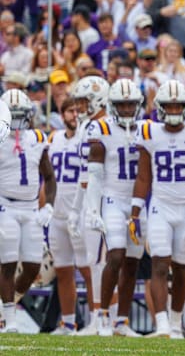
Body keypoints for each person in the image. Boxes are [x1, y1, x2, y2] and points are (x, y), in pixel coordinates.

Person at [131, 80, 185, 338]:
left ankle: (177, 324)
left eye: (177, 105)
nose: (173, 109)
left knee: (181, 267)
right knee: (159, 263)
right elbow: (143, 177)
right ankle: (162, 325)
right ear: (159, 107)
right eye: (168, 105)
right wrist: (135, 212)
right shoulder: (149, 132)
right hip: (160, 206)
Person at [84, 79, 146, 338]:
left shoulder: (147, 128)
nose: (127, 109)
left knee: (132, 262)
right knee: (116, 255)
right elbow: (95, 175)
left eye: (131, 104)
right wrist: (92, 209)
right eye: (122, 104)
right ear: (112, 106)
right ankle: (102, 315)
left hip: (137, 201)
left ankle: (122, 320)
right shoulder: (101, 129)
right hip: (112, 197)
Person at [0, 89, 56, 332]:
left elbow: (50, 177)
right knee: (8, 262)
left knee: (33, 266)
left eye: (19, 115)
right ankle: (10, 320)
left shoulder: (38, 138)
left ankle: (6, 306)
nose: (15, 121)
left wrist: (49, 206)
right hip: (5, 205)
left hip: (32, 207)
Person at [65, 76, 110, 336]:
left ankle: (108, 318)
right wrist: (75, 208)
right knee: (94, 263)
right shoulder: (87, 126)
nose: (80, 107)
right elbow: (84, 175)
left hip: (103, 199)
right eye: (78, 101)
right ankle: (97, 316)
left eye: (84, 101)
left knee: (102, 262)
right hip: (87, 199)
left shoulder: (104, 126)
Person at [47, 99, 93, 335]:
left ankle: (97, 320)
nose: (74, 114)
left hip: (80, 211)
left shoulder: (86, 136)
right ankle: (68, 322)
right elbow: (45, 175)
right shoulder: (53, 138)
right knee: (63, 270)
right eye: (70, 110)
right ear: (62, 114)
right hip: (56, 212)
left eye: (78, 110)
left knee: (87, 269)